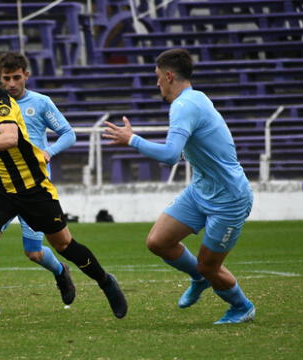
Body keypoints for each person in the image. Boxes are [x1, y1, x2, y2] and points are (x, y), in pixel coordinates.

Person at [0, 55, 127, 319]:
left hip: (33, 189)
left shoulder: (2, 106)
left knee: (64, 245)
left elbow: (10, 137)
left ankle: (105, 281)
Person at [103, 48, 255, 324]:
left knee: (210, 265)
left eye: (158, 77)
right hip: (201, 190)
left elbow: (171, 155)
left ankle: (241, 306)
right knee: (158, 241)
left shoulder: (184, 105)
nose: (156, 83)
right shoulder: (194, 99)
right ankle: (198, 277)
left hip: (229, 198)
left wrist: (132, 140)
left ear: (169, 75)